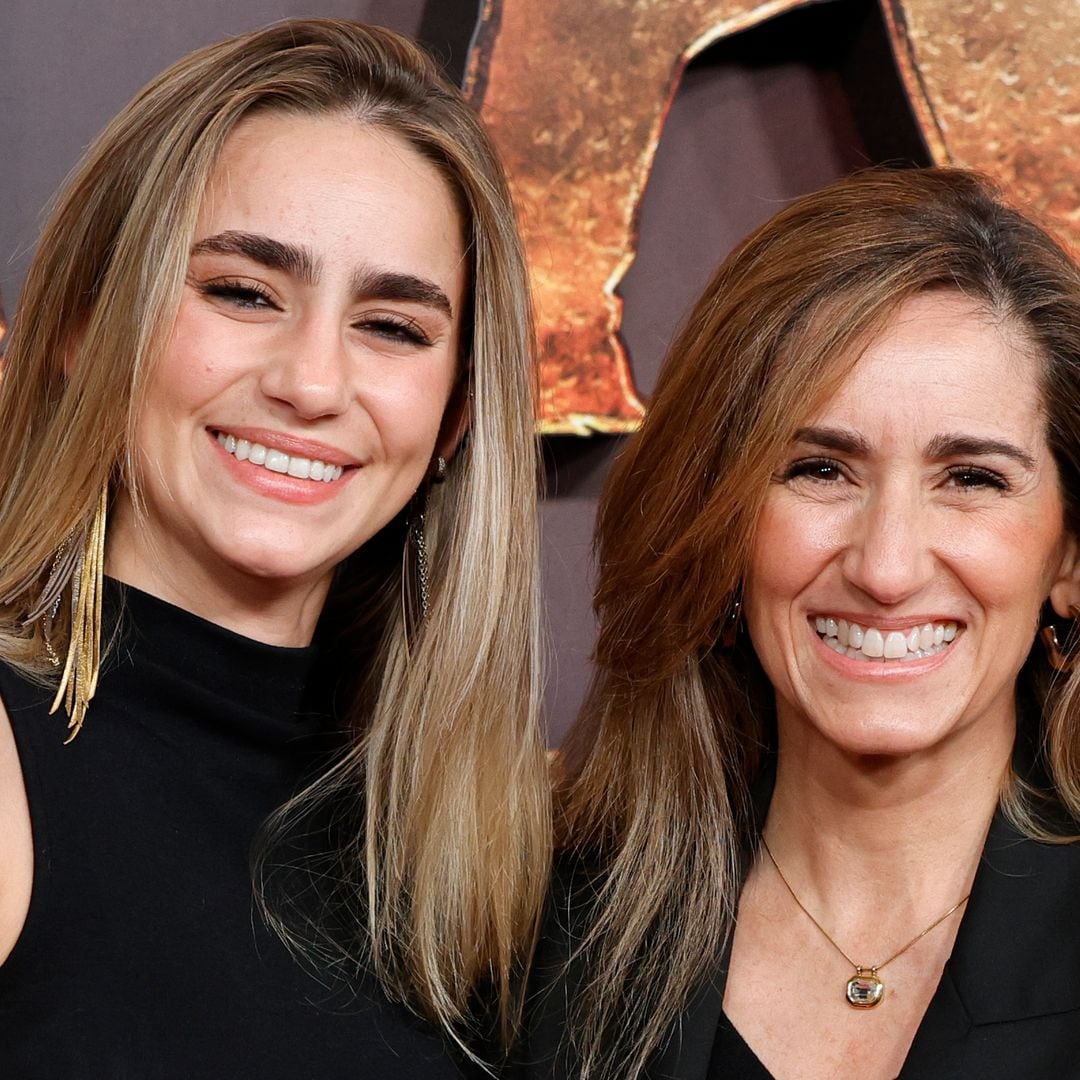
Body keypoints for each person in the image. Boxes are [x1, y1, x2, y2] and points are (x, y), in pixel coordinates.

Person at [0, 19, 549, 1077]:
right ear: (79, 326)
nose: (310, 382)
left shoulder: (461, 857)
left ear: (457, 417)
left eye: (393, 326)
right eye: (243, 293)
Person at [518, 168, 1080, 1078]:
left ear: (1068, 561)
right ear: (720, 520)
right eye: (820, 469)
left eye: (972, 479)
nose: (886, 567)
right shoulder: (533, 943)